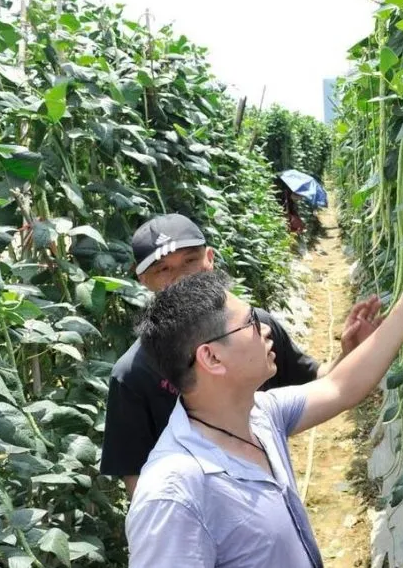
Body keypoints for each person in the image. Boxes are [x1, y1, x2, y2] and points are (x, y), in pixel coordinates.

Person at [125, 257, 403, 567]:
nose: (265, 328)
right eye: (250, 323)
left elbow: (340, 387)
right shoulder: (173, 494)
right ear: (212, 358)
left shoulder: (261, 415)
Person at [99, 213, 383, 498]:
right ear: (142, 279)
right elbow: (138, 481)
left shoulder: (256, 330)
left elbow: (322, 384)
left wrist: (350, 353)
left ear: (209, 259)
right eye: (163, 270)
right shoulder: (132, 375)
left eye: (190, 261)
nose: (181, 278)